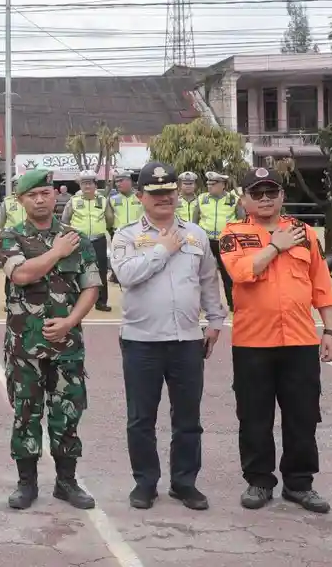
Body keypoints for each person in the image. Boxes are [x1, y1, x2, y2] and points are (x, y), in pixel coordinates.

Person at [219, 167, 332, 514]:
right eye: (257, 193)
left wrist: (330, 330)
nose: (266, 199)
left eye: (272, 192)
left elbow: (321, 284)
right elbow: (240, 272)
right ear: (244, 199)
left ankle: (300, 484)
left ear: (282, 196)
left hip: (300, 340)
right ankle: (259, 481)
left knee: (302, 414)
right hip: (252, 342)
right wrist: (275, 245)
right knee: (254, 415)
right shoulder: (234, 234)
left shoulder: (304, 232)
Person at [110, 162, 224, 511]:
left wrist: (216, 319)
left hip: (187, 340)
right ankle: (145, 483)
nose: (163, 198)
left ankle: (184, 482)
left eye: (169, 192)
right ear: (141, 196)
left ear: (177, 194)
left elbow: (208, 280)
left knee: (188, 418)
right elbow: (126, 274)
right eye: (155, 193)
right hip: (141, 340)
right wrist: (162, 249)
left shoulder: (196, 235)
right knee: (141, 418)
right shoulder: (126, 236)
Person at [0, 169, 99, 511]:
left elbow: (91, 286)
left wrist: (71, 321)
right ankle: (26, 483)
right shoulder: (10, 237)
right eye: (32, 195)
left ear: (55, 195)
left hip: (67, 345)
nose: (40, 199)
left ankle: (66, 482)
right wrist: (56, 252)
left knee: (68, 413)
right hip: (25, 345)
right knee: (26, 413)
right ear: (21, 201)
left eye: (45, 192)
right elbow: (22, 273)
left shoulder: (78, 238)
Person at [62, 170, 113, 312]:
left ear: (95, 185)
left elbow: (109, 219)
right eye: (84, 183)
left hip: (98, 240)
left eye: (90, 183)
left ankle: (101, 302)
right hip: (80, 240)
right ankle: (77, 301)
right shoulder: (73, 200)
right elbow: (65, 220)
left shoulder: (103, 200)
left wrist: (100, 229)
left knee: (101, 271)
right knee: (78, 269)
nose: (87, 186)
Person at [197, 172, 243, 311]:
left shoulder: (233, 199)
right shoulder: (202, 198)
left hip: (226, 241)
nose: (209, 186)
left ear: (223, 185)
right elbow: (195, 220)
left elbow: (241, 218)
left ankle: (232, 304)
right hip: (207, 241)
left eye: (213, 184)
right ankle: (203, 305)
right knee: (204, 274)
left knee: (228, 275)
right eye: (208, 184)